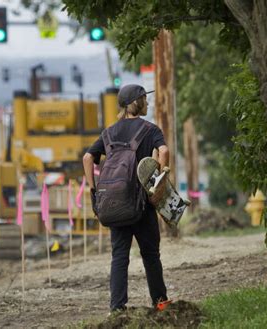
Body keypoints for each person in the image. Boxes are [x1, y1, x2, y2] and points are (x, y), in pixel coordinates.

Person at [82, 84, 171, 312]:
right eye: (145, 99)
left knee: (119, 256)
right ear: (136, 102)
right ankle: (160, 303)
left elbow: (87, 158)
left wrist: (94, 191)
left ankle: (117, 308)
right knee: (151, 255)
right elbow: (164, 152)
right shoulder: (150, 129)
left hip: (115, 204)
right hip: (141, 205)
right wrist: (158, 184)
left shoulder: (108, 132)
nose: (148, 103)